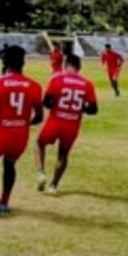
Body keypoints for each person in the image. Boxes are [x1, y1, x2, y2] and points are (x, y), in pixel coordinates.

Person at [0, 46, 43, 216]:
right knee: (10, 164)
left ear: (4, 62)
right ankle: (5, 202)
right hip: (20, 136)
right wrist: (22, 122)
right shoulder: (34, 85)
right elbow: (39, 117)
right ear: (23, 62)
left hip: (1, 134)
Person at [35, 53, 97, 195]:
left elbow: (46, 103)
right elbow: (93, 109)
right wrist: (81, 108)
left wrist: (57, 104)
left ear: (65, 65)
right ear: (79, 67)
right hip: (72, 124)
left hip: (56, 120)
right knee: (63, 154)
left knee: (39, 143)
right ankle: (53, 185)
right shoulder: (87, 84)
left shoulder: (56, 79)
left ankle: (40, 173)